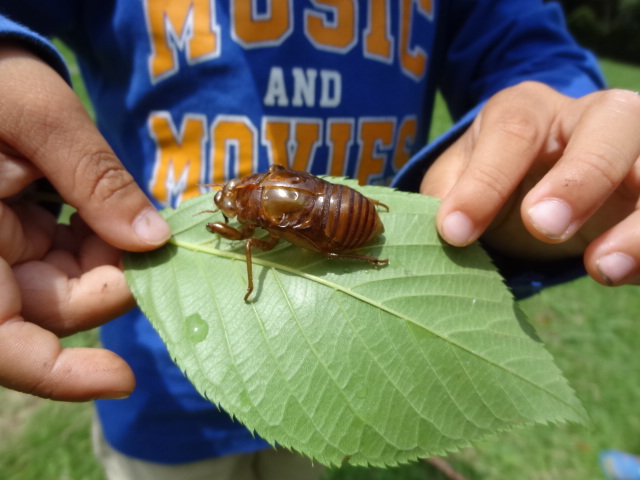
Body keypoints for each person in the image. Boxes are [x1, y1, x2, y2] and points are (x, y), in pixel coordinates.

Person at [0, 1, 639, 479]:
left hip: (334, 341)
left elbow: (528, 53)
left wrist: (562, 128)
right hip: (162, 391)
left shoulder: (250, 228)